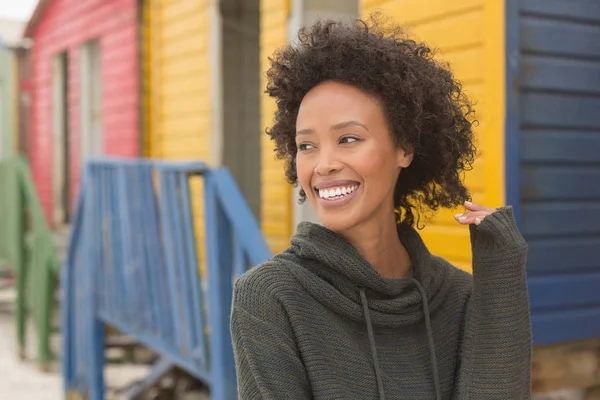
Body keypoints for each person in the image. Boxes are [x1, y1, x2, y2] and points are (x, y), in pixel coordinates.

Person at [230, 15, 531, 400]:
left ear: (404, 148)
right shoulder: (272, 298)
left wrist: (502, 272)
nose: (323, 164)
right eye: (306, 145)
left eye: (349, 138)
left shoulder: (458, 295)